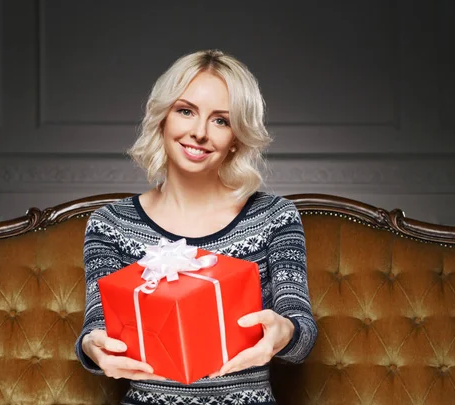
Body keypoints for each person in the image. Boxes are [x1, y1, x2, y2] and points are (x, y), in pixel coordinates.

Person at [75, 49, 318, 404]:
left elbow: (302, 333)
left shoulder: (274, 216)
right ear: (162, 118)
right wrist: (93, 347)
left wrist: (285, 332)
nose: (199, 132)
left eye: (221, 120)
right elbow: (97, 325)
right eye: (185, 111)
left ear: (237, 134)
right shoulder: (111, 224)